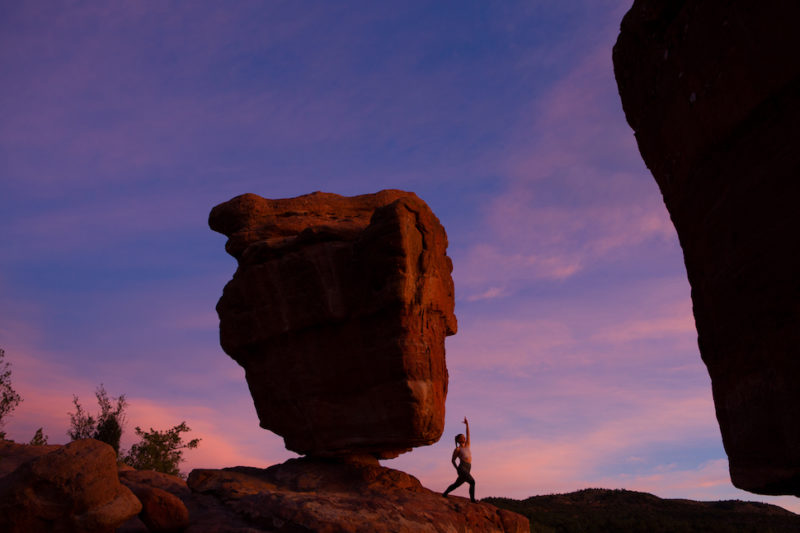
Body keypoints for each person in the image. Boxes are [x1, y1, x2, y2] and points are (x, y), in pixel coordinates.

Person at [442, 416, 476, 502]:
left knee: (456, 484)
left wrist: (467, 424)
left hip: (468, 467)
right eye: (462, 437)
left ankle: (445, 493)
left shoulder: (467, 445)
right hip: (462, 467)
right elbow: (453, 460)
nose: (464, 438)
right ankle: (472, 500)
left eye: (464, 437)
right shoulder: (457, 449)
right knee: (472, 482)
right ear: (458, 440)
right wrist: (457, 469)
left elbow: (468, 434)